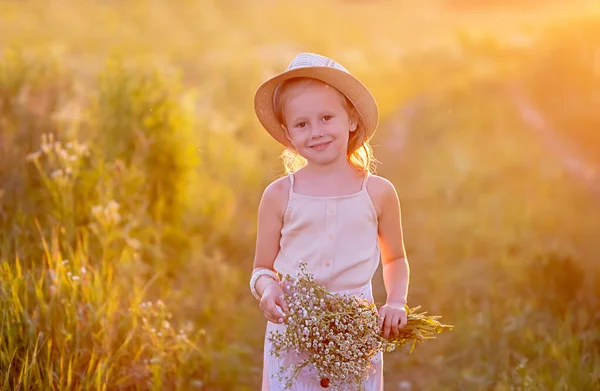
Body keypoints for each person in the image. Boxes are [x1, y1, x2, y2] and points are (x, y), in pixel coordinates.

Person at [250, 52, 410, 390]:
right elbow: (261, 269)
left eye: (326, 118)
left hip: (355, 331)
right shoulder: (279, 195)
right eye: (302, 124)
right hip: (295, 329)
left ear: (351, 119)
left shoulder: (378, 192)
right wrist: (269, 290)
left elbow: (395, 258)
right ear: (288, 134)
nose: (316, 132)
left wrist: (395, 301)